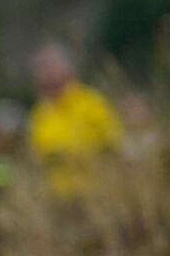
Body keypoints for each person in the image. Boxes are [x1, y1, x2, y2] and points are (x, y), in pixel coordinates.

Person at [24, 42, 124, 193]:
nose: (47, 72)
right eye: (41, 67)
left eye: (50, 65)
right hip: (59, 199)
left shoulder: (92, 102)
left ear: (67, 68)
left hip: (100, 192)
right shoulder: (38, 116)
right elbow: (36, 160)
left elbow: (114, 143)